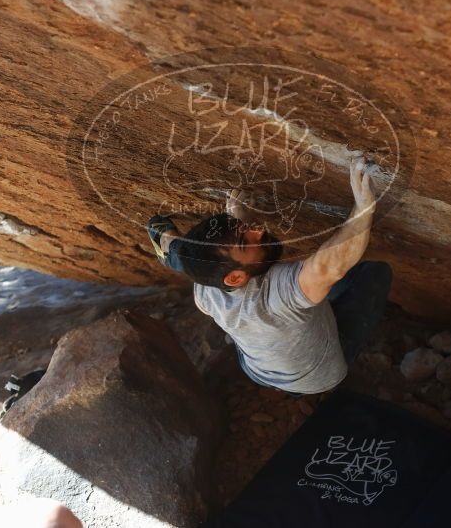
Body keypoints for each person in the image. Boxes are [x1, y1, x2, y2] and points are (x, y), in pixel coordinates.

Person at [147, 157, 392, 395]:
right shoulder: (276, 297)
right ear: (235, 278)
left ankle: (167, 245)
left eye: (244, 230)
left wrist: (237, 218)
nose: (259, 230)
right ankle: (170, 249)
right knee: (374, 272)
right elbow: (329, 268)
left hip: (257, 370)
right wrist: (363, 207)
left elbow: (201, 263)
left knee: (191, 258)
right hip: (318, 376)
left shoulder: (205, 290)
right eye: (245, 242)